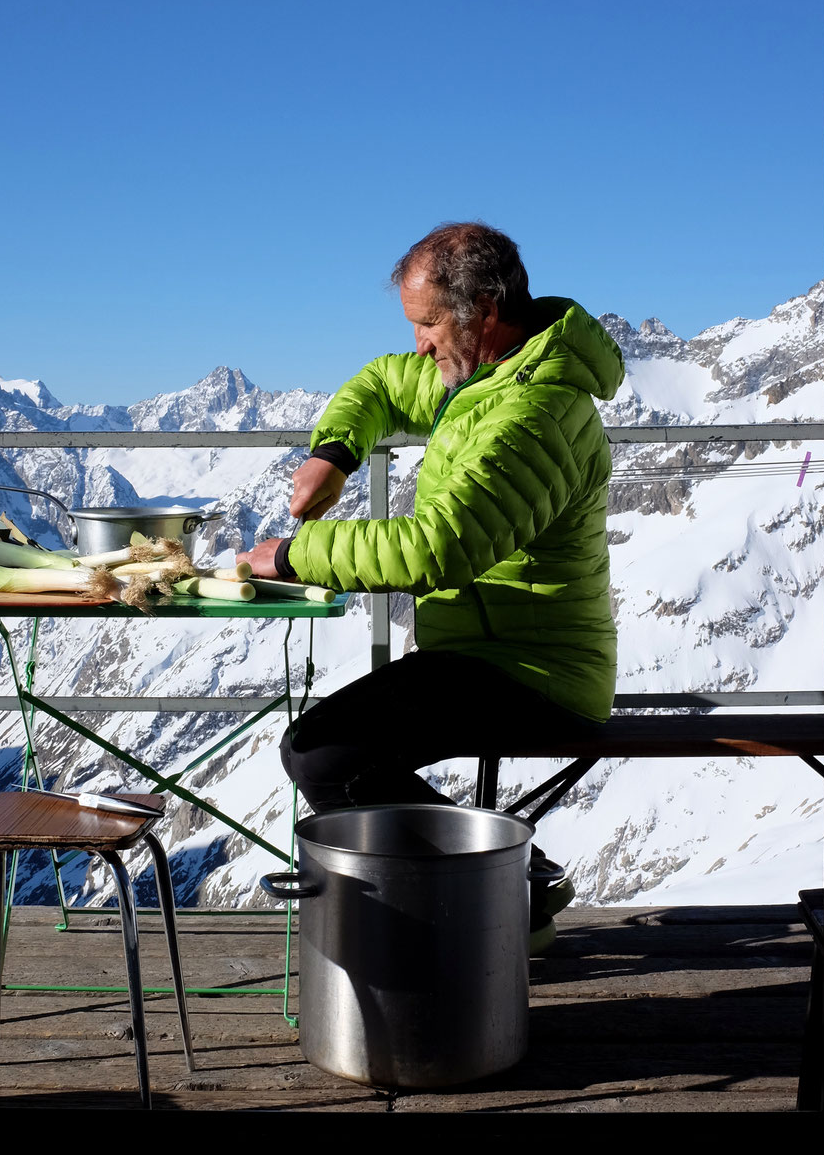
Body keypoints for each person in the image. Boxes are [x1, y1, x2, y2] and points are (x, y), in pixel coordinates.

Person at [238, 221, 625, 950]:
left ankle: (496, 899)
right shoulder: (482, 373)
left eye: (427, 323)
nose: (419, 342)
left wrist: (294, 556)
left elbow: (439, 548)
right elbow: (383, 381)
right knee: (330, 750)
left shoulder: (535, 412)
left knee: (326, 755)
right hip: (483, 653)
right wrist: (335, 452)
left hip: (535, 672)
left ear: (483, 308)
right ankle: (511, 887)